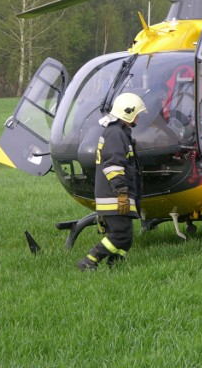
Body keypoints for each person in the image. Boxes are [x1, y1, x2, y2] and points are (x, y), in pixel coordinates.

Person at [77, 92, 146, 271]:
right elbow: (113, 165)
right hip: (114, 195)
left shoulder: (118, 132)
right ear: (127, 113)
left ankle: (114, 265)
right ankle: (90, 260)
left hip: (115, 194)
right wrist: (122, 192)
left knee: (127, 237)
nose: (138, 117)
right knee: (120, 235)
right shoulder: (115, 134)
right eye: (137, 113)